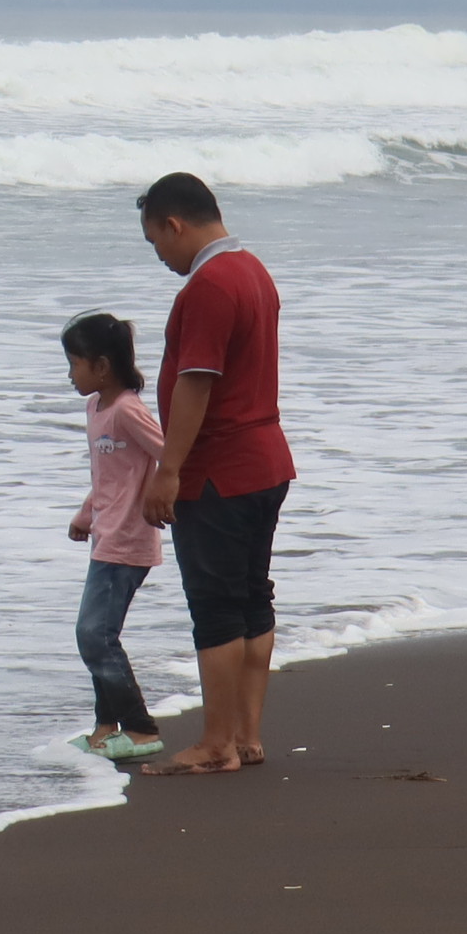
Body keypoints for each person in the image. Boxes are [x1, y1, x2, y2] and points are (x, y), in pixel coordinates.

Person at [132, 171, 293, 776]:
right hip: (266, 460)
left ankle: (216, 743)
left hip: (219, 471)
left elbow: (197, 381)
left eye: (156, 242)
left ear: (174, 225)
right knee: (252, 597)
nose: (161, 257)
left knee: (217, 606)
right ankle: (246, 736)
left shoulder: (207, 286)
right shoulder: (254, 270)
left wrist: (168, 470)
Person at [59, 310, 168, 760]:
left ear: (101, 365)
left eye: (74, 364)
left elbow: (171, 453)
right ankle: (106, 726)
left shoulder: (127, 410)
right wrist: (86, 513)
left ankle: (141, 729)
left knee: (95, 635)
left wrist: (164, 494)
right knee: (96, 633)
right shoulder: (95, 407)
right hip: (106, 534)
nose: (70, 375)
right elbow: (106, 475)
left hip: (130, 538)